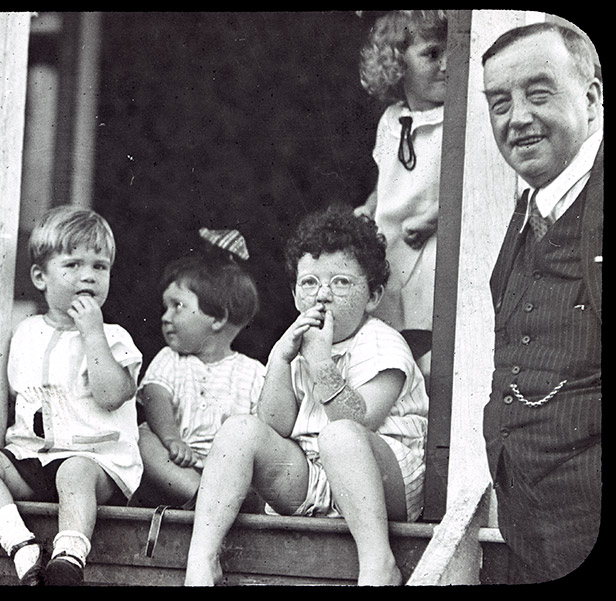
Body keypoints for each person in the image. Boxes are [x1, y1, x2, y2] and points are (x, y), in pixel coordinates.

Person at [184, 205, 429, 586]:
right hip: (317, 480)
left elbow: (359, 421)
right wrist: (280, 359)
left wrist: (319, 362)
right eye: (310, 282)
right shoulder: (302, 343)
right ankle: (201, 559)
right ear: (295, 291)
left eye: (342, 283)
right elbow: (274, 424)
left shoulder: (382, 343)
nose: (323, 295)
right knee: (239, 431)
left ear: (373, 295)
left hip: (382, 484)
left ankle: (379, 563)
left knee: (340, 435)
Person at [0, 206, 143, 586]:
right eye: (73, 265)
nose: (88, 275)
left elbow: (111, 395)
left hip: (96, 462)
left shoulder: (113, 336)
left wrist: (92, 333)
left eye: (100, 266)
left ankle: (69, 557)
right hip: (34, 459)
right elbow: (18, 395)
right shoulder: (25, 333)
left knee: (74, 470)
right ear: (41, 277)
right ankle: (22, 548)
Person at [481, 22, 602, 583]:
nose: (517, 118)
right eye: (499, 103)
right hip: (531, 531)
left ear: (593, 97)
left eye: (539, 92)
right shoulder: (531, 206)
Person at [133, 228, 265, 510]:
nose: (166, 317)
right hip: (177, 468)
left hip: (229, 473)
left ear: (217, 318)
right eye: (165, 307)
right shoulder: (171, 359)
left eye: (177, 306)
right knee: (143, 436)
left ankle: (216, 498)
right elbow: (155, 396)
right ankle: (198, 494)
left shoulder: (253, 372)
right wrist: (170, 438)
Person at [355, 10, 448, 387]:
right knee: (391, 332)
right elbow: (386, 178)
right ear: (397, 64)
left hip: (429, 242)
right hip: (390, 248)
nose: (446, 65)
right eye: (431, 54)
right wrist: (370, 207)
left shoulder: (453, 122)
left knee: (428, 333)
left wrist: (432, 219)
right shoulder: (392, 120)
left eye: (452, 53)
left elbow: (463, 186)